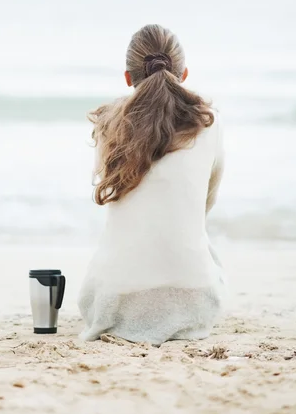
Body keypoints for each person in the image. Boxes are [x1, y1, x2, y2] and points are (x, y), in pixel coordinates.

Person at [78, 24, 225, 345]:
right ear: (184, 72)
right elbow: (205, 203)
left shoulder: (109, 123)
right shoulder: (208, 122)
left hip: (113, 306)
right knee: (203, 245)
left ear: (128, 78)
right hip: (195, 304)